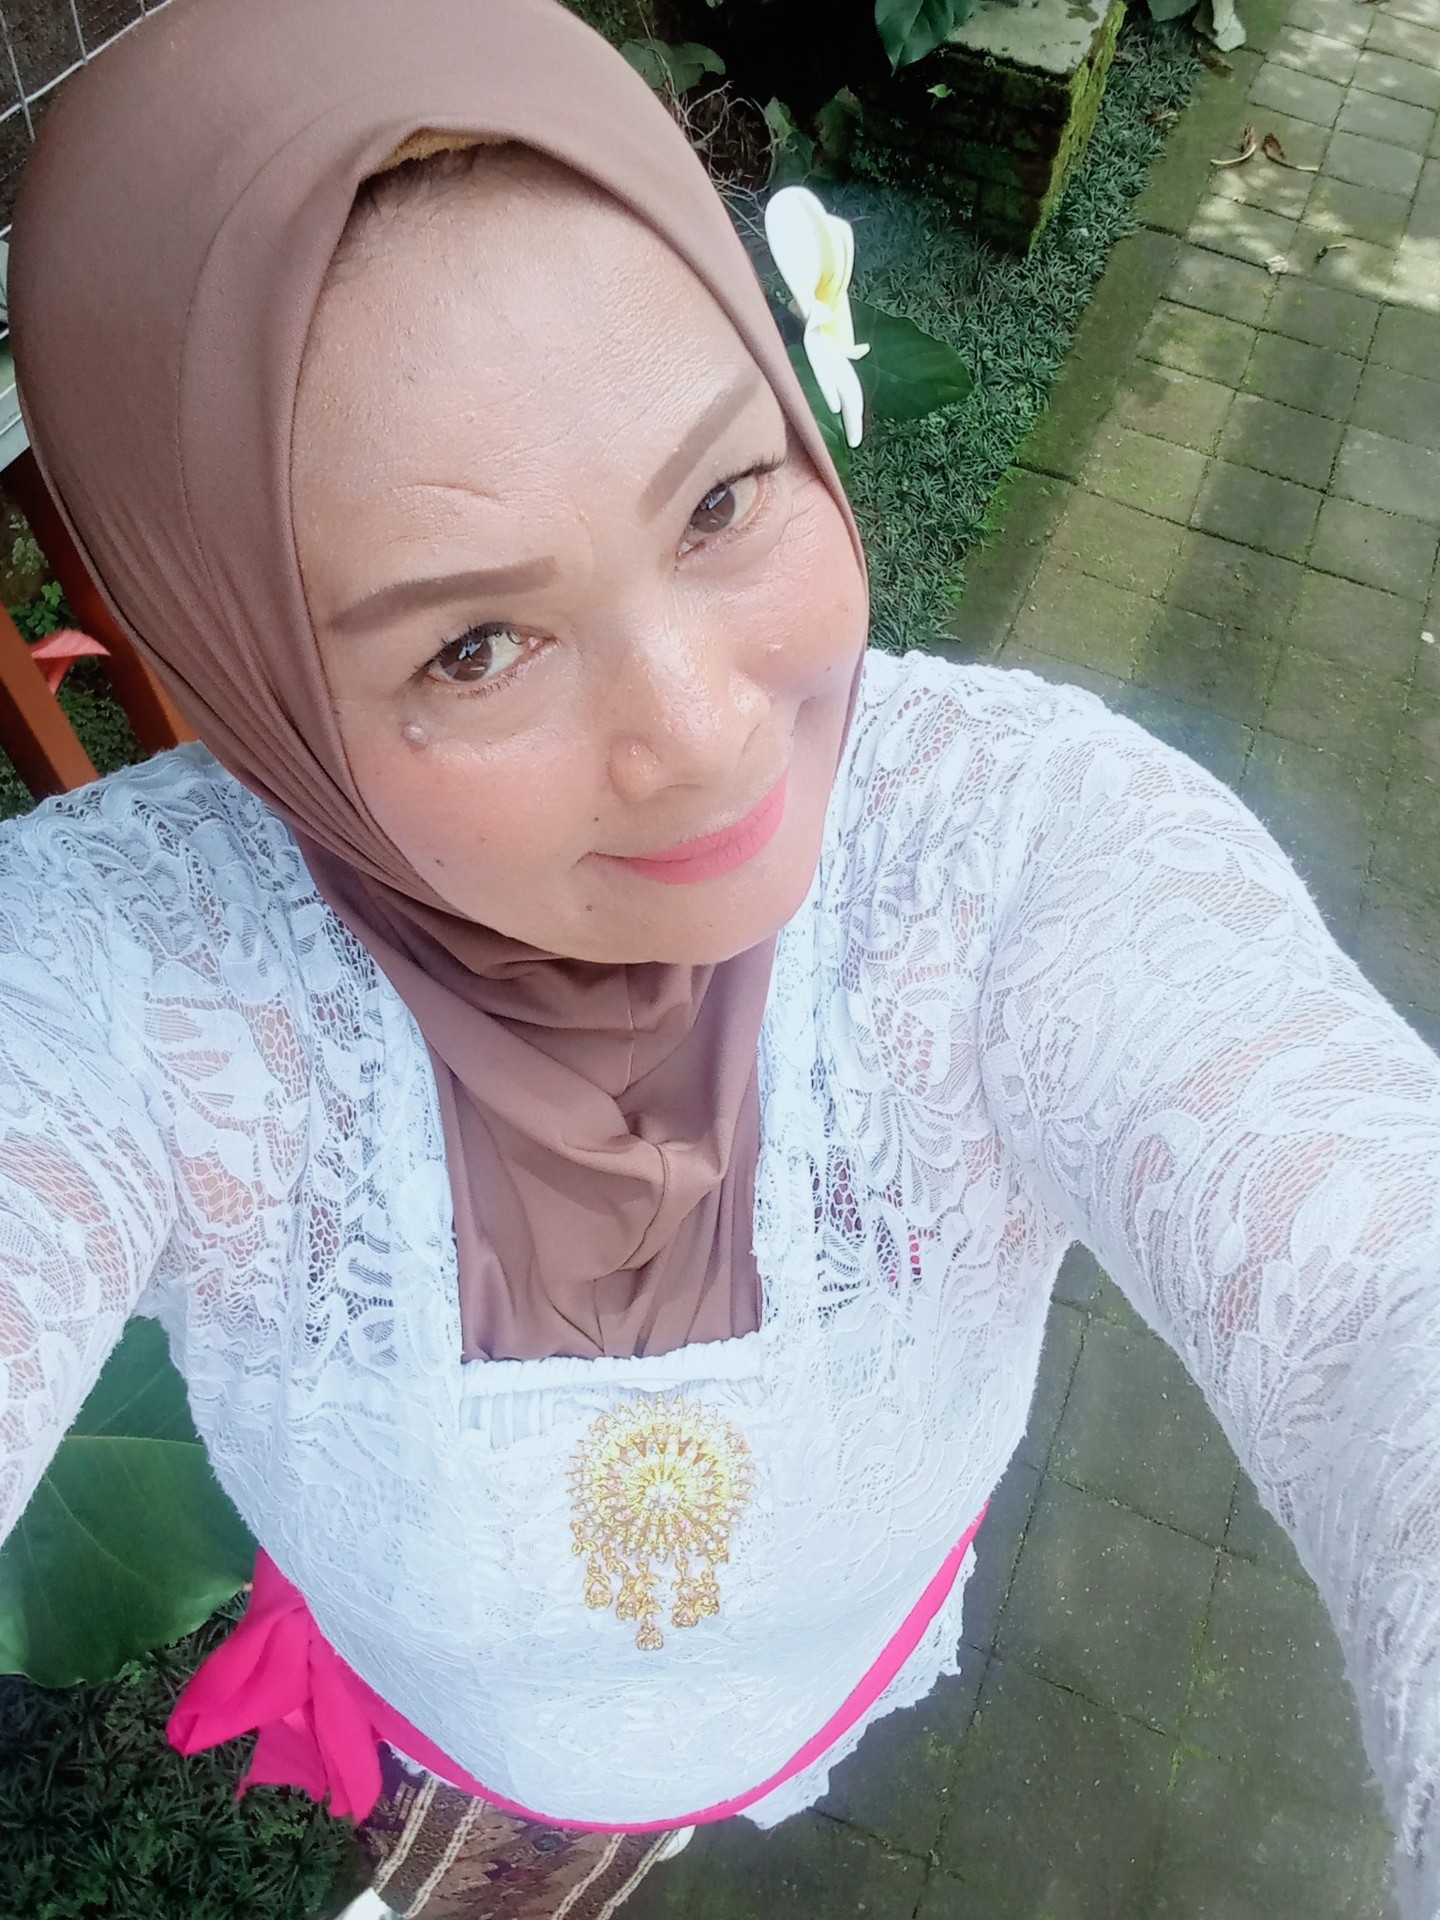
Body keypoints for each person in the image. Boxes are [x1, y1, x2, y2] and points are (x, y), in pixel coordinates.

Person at [2, 0, 1438, 1915]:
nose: (701, 734)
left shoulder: (1014, 854)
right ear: (253, 691)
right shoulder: (134, 978)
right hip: (449, 1708)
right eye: (472, 649)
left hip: (841, 1654)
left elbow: (1378, 1286)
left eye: (720, 498)